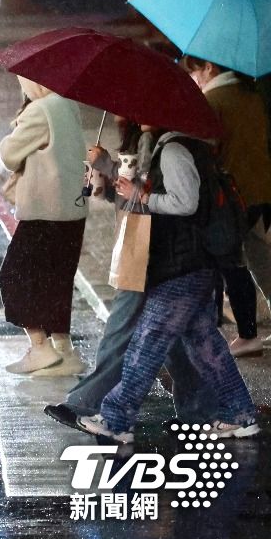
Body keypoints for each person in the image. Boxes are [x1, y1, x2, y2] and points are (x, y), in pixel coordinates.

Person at [77, 127, 261, 442]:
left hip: (183, 266)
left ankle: (115, 419)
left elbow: (185, 203)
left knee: (147, 344)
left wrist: (145, 196)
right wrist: (118, 177)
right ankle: (240, 414)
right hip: (190, 265)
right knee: (206, 345)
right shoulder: (171, 147)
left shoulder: (175, 151)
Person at [45, 120, 215, 428]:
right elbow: (130, 197)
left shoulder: (165, 147)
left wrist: (109, 169)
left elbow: (154, 200)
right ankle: (200, 412)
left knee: (122, 330)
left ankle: (85, 404)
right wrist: (106, 175)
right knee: (172, 338)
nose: (121, 115)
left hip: (149, 251)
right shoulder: (145, 141)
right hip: (148, 249)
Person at [0, 77, 88, 375]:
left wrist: (11, 135)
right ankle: (64, 350)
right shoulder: (68, 104)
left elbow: (10, 155)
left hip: (44, 210)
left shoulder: (40, 110)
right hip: (72, 209)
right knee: (56, 280)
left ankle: (39, 347)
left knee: (13, 276)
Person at [182, 56, 271, 357]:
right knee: (261, 260)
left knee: (231, 263)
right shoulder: (251, 94)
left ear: (210, 68)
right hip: (260, 191)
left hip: (229, 197)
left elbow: (205, 150)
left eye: (195, 70)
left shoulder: (214, 99)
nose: (194, 77)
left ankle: (247, 335)